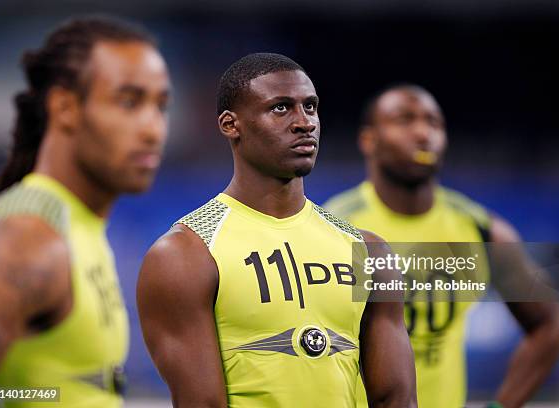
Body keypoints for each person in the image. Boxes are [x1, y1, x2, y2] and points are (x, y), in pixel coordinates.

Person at [137, 53, 417, 407]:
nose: (304, 123)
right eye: (281, 108)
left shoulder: (369, 250)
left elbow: (397, 399)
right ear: (230, 125)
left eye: (311, 107)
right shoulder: (186, 254)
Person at [324, 84, 559, 408]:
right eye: (404, 120)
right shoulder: (334, 227)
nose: (423, 133)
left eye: (433, 122)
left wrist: (501, 405)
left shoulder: (480, 230)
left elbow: (548, 325)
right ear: (369, 140)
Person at [0, 16, 170, 407]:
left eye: (161, 106)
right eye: (129, 101)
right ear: (66, 108)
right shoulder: (28, 237)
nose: (153, 129)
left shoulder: (75, 225)